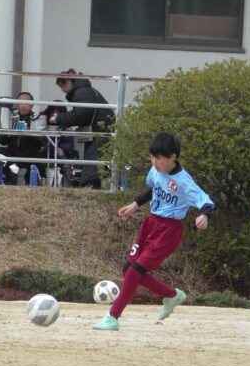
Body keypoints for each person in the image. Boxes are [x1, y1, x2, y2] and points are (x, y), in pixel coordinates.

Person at [92, 132, 215, 331]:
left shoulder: (183, 181)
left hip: (168, 230)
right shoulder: (156, 171)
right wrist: (134, 205)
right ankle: (172, 296)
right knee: (128, 270)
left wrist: (205, 216)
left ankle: (112, 317)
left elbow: (206, 201)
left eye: (158, 158)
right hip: (150, 223)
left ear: (172, 157)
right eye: (152, 157)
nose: (154, 162)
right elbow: (154, 189)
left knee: (134, 273)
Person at [48, 68, 115, 189]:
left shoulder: (82, 92)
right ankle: (96, 187)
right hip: (101, 129)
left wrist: (59, 117)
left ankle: (92, 189)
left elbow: (80, 115)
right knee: (96, 163)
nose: (62, 91)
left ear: (68, 82)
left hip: (100, 131)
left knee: (94, 164)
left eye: (62, 87)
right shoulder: (84, 90)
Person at [0, 91, 48, 185]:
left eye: (26, 103)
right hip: (13, 151)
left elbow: (43, 142)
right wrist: (10, 131)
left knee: (38, 157)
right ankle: (4, 180)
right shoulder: (11, 118)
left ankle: (32, 184)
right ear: (17, 105)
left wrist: (29, 132)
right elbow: (2, 141)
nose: (23, 106)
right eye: (21, 103)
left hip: (30, 152)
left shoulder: (37, 119)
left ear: (32, 105)